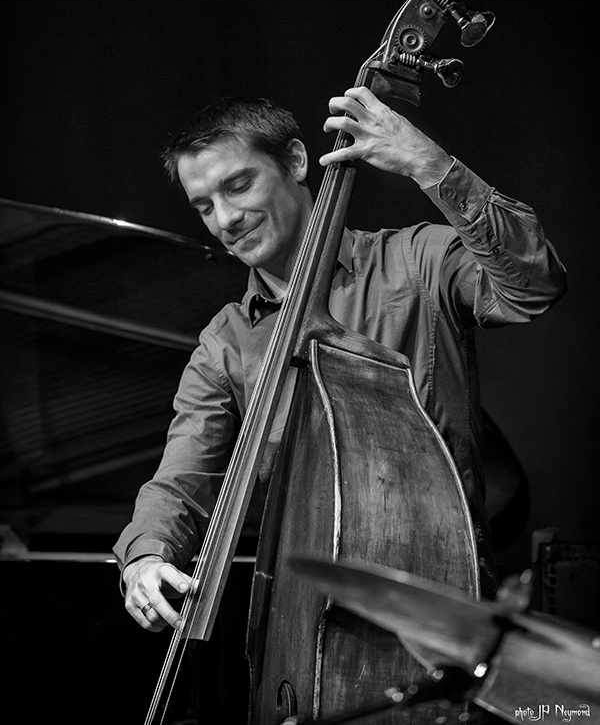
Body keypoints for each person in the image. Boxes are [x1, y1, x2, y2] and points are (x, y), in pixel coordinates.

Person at [113, 84, 566, 639]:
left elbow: (533, 287)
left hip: (440, 609)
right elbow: (183, 479)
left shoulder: (416, 260)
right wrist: (145, 556)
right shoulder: (225, 342)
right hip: (297, 627)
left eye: (238, 185)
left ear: (296, 162)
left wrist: (429, 164)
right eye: (204, 206)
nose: (225, 219)